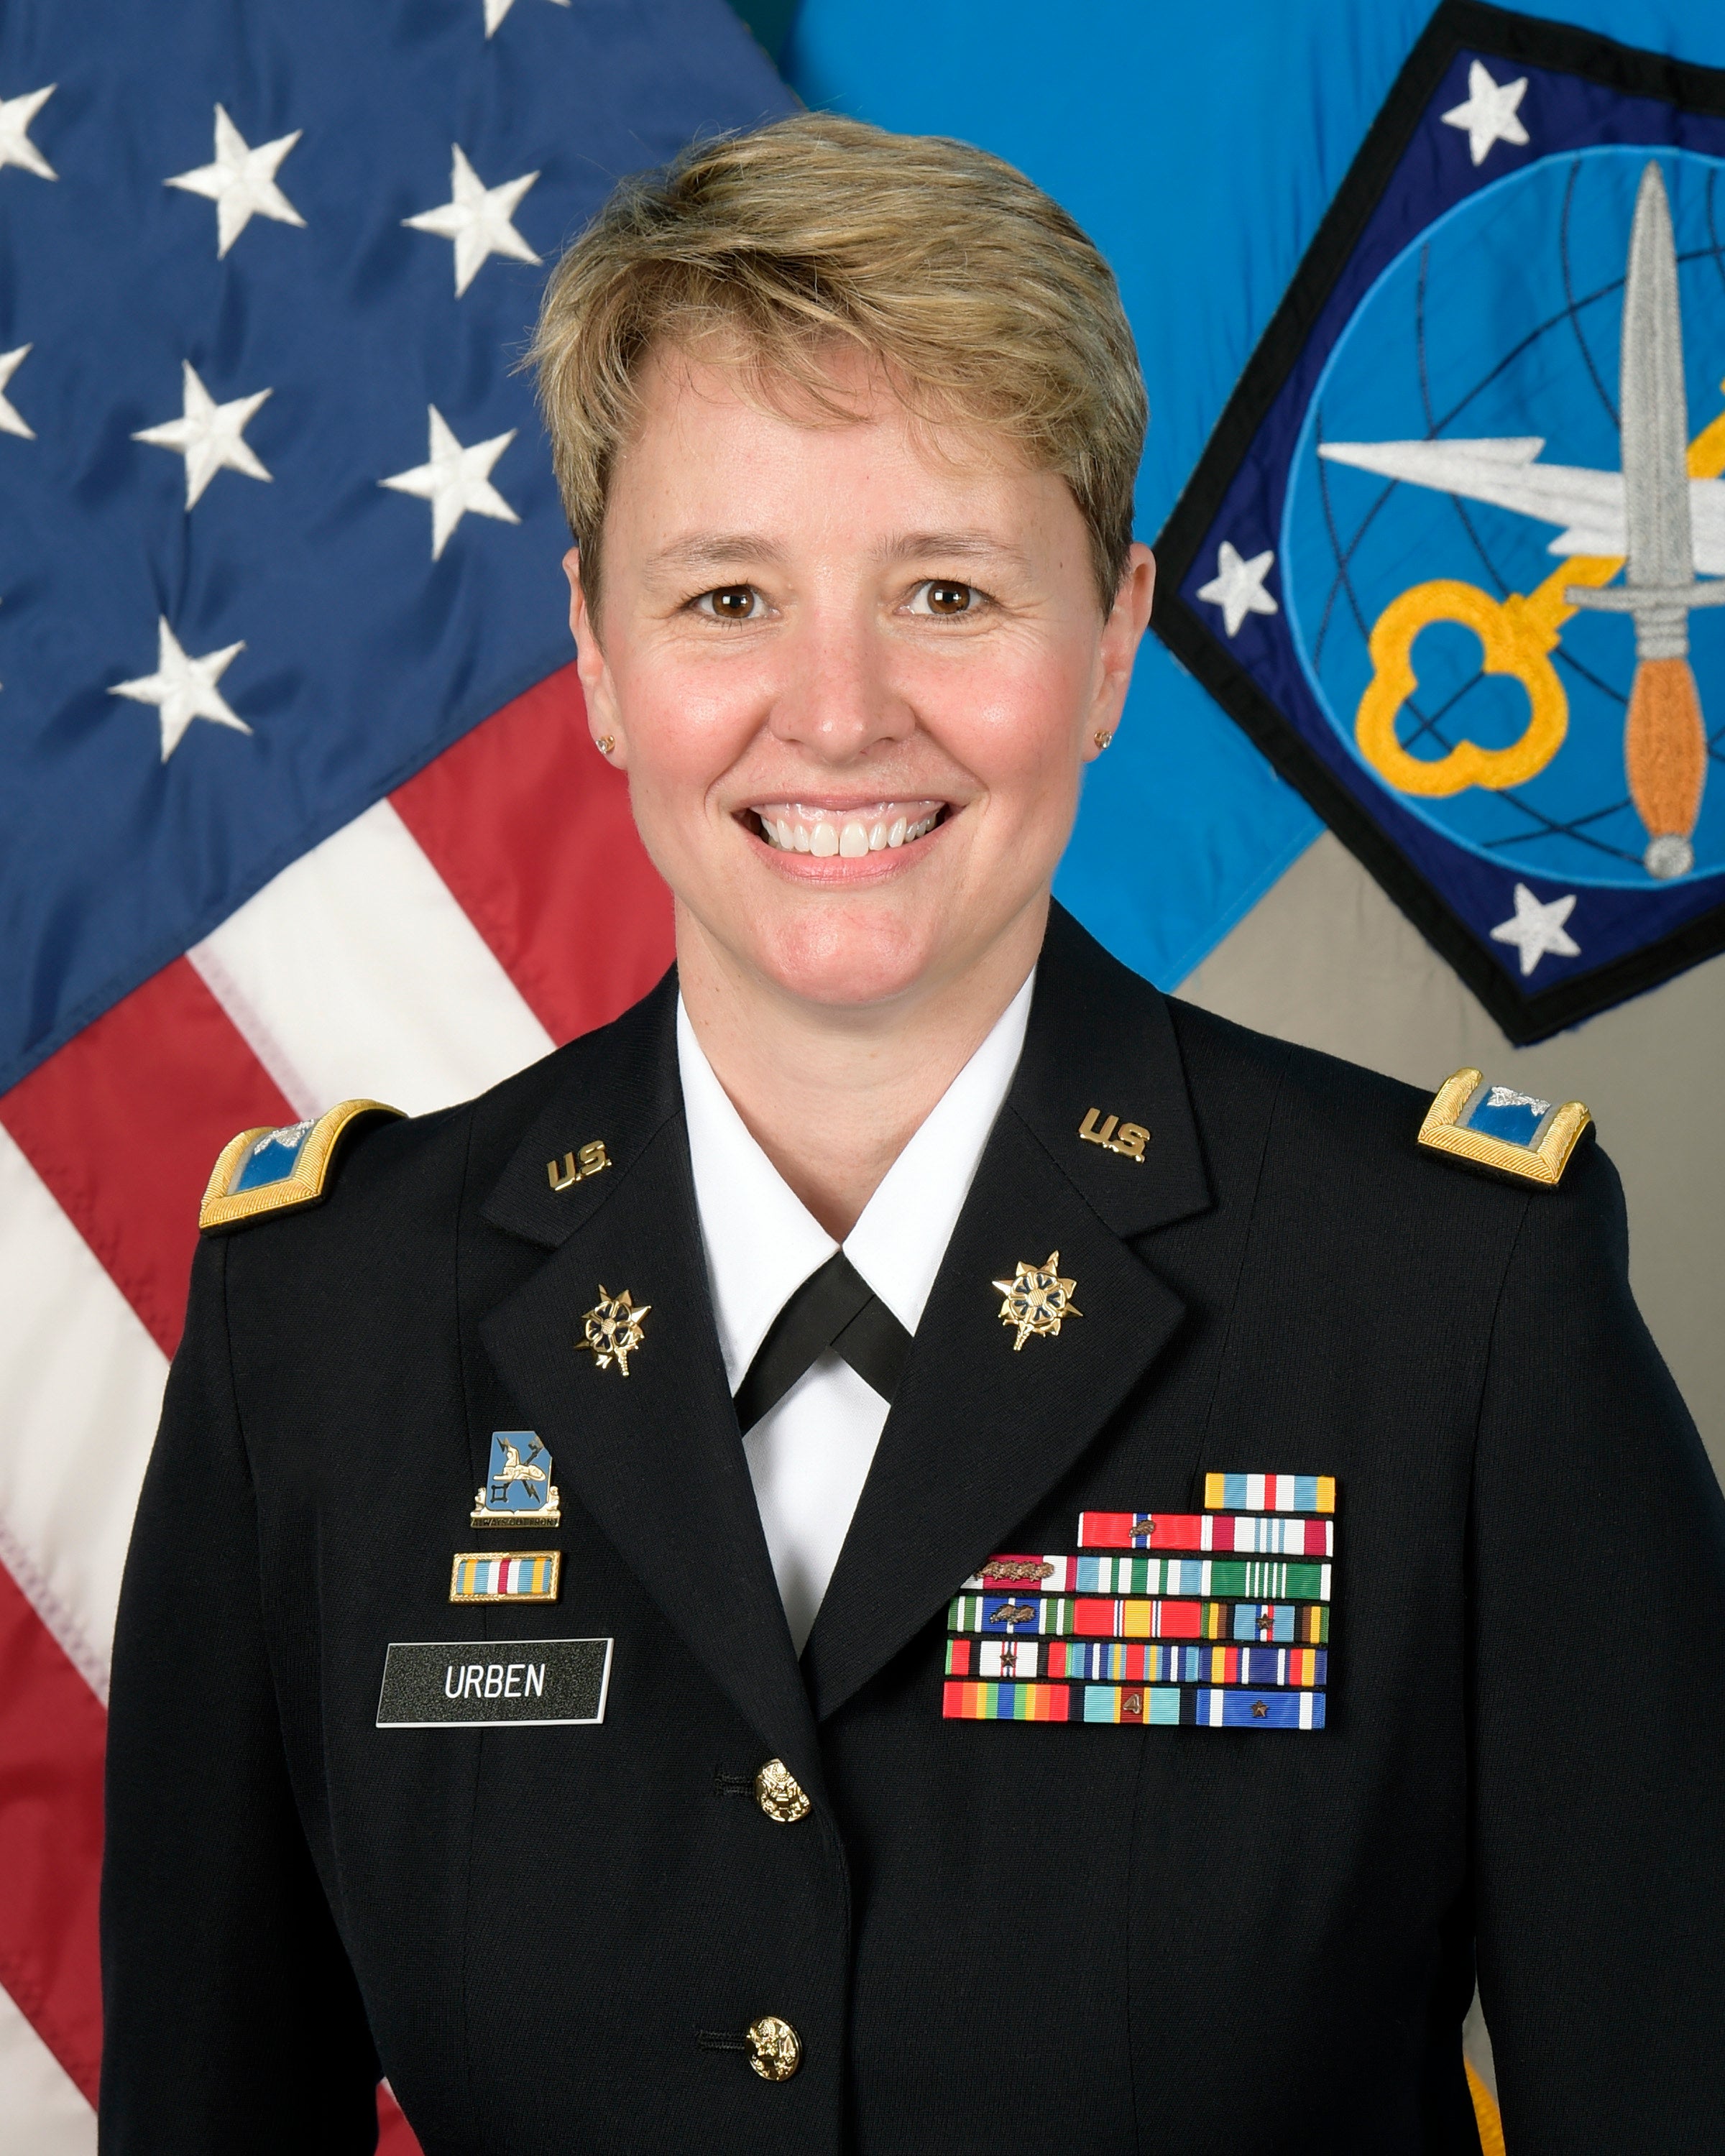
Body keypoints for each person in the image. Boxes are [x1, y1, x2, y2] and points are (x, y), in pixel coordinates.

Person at [99, 114, 1725, 2155]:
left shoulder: (1448, 1307)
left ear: (1117, 640)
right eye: (726, 600)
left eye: (949, 589)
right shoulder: (319, 1333)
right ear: (597, 654)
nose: (841, 709)